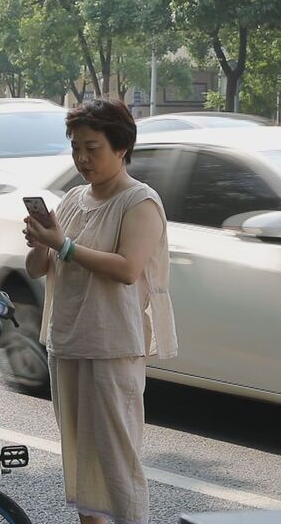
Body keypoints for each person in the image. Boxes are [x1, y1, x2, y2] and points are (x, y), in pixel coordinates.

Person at [23, 98, 178, 524]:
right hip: (67, 342)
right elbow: (40, 267)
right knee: (81, 460)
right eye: (75, 148)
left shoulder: (140, 202)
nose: (82, 158)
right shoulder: (73, 199)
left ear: (122, 146)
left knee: (116, 462)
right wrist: (42, 244)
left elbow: (128, 269)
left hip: (112, 347)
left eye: (93, 148)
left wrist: (64, 245)